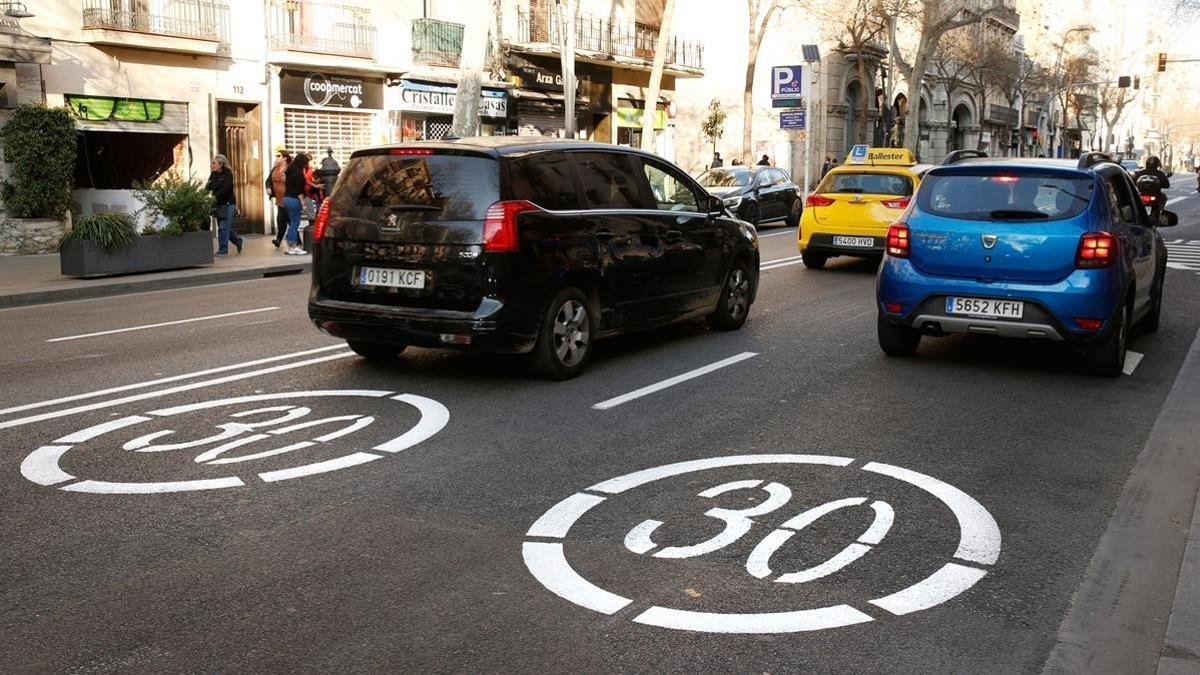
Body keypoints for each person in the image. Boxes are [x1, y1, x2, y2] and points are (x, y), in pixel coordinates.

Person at [205, 155, 242, 255]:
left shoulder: (228, 174)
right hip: (218, 205)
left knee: (223, 227)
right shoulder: (213, 174)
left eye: (214, 163)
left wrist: (215, 196)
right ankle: (238, 240)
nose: (212, 165)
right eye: (212, 163)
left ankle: (223, 250)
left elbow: (226, 189)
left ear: (220, 164)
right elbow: (207, 187)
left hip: (228, 204)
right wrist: (201, 195)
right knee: (224, 228)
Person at [282, 153, 311, 256]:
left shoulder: (289, 172)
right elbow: (299, 191)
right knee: (295, 224)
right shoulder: (298, 174)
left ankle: (290, 246)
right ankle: (293, 247)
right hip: (294, 200)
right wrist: (303, 203)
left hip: (286, 199)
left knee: (292, 224)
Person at [267, 146, 291, 248]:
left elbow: (296, 181)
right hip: (279, 198)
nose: (276, 158)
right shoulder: (275, 168)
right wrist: (268, 187)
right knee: (281, 220)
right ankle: (279, 239)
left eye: (279, 156)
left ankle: (295, 241)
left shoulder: (289, 168)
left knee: (287, 219)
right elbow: (268, 180)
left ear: (285, 158)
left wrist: (288, 180)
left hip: (288, 198)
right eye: (276, 156)